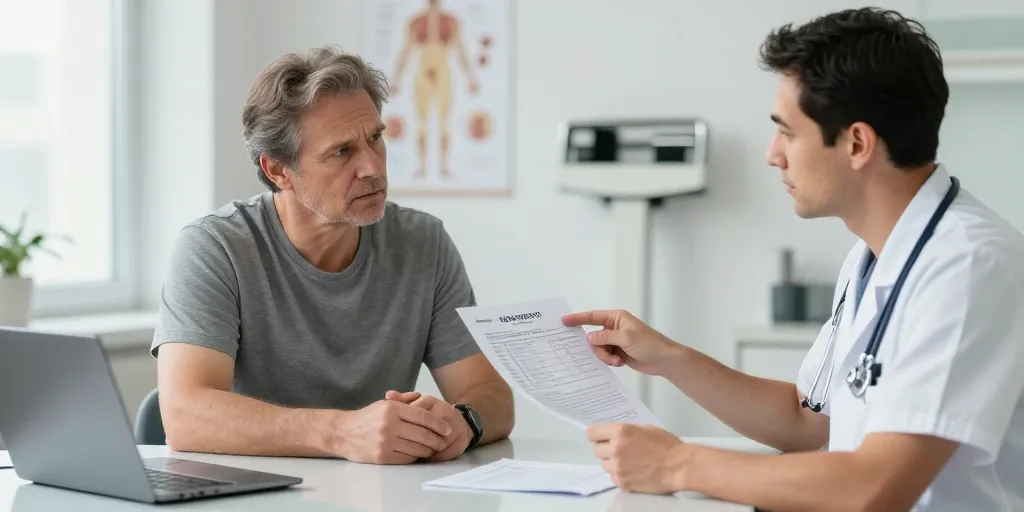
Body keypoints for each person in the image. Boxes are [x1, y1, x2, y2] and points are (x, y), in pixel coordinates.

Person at [565, 8, 1024, 511]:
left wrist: (678, 464)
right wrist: (668, 358)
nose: (772, 155)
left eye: (787, 132)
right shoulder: (873, 255)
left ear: (857, 143)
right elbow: (806, 421)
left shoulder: (970, 265)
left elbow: (877, 487)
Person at [151, 45, 514, 465]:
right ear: (278, 170)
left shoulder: (423, 242)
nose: (372, 168)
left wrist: (463, 421)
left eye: (375, 138)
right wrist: (341, 433)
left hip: (381, 488)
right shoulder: (215, 248)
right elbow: (185, 416)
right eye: (342, 152)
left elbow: (491, 395)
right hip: (252, 488)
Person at [390, 0, 479, 179]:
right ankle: (422, 165)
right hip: (423, 68)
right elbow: (406, 50)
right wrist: (397, 80)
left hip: (442, 68)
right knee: (421, 121)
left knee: (445, 120)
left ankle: (443, 165)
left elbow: (460, 49)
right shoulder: (415, 21)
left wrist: (471, 78)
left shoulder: (451, 21)